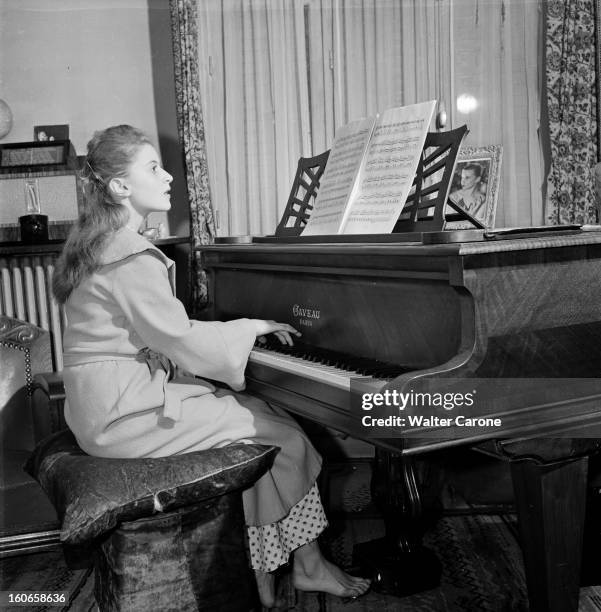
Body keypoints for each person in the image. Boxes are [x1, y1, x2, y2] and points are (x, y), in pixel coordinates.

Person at [52, 125, 370, 607]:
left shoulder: (97, 242)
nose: (169, 178)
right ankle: (304, 566)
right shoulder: (129, 256)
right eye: (153, 167)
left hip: (104, 405)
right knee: (280, 435)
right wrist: (252, 325)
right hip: (124, 414)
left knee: (261, 421)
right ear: (119, 186)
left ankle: (266, 572)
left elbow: (142, 333)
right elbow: (180, 338)